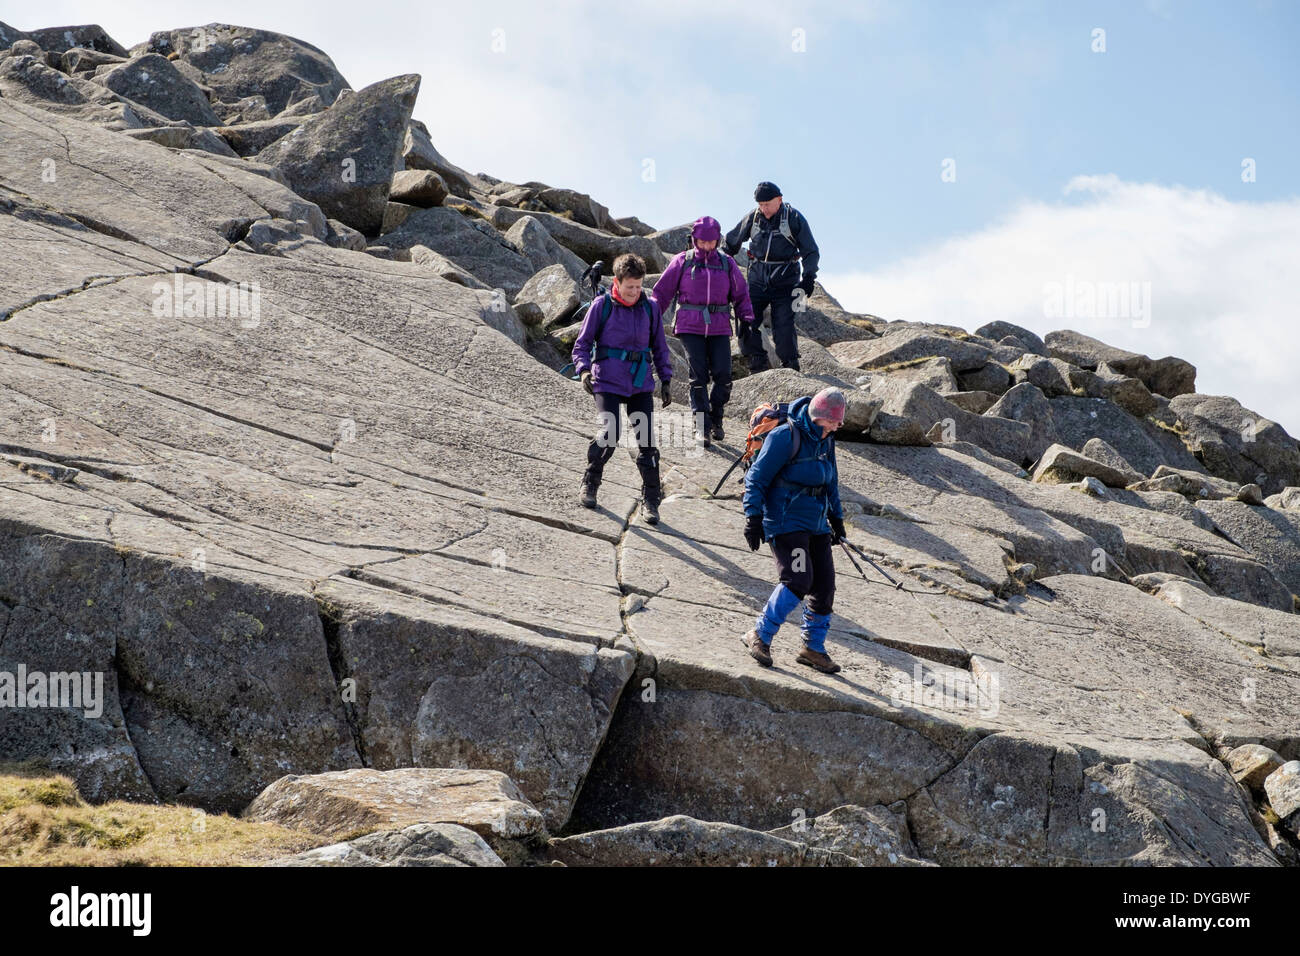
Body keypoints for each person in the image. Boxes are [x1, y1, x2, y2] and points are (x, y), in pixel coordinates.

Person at [740, 387, 847, 673]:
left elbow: (831, 481)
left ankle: (813, 648)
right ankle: (759, 635)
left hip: (816, 523)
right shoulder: (785, 436)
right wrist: (753, 517)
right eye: (835, 420)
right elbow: (756, 479)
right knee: (798, 578)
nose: (839, 425)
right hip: (786, 521)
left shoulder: (827, 440)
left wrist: (837, 519)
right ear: (819, 417)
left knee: (824, 586)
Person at [571, 252, 674, 524]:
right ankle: (590, 482)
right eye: (630, 287)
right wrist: (583, 371)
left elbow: (660, 347)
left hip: (640, 382)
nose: (635, 292)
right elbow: (581, 345)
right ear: (617, 282)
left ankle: (651, 500)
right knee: (610, 431)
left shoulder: (650, 308)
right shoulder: (601, 306)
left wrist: (666, 379)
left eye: (639, 286)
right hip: (607, 380)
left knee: (647, 442)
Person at [650, 216, 755, 447]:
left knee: (724, 377)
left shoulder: (727, 264)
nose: (707, 245)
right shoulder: (682, 261)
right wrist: (647, 318)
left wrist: (746, 319)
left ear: (718, 240)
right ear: (694, 239)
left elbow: (741, 295)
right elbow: (661, 294)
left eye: (712, 241)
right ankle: (702, 427)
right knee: (698, 377)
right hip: (689, 326)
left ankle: (716, 419)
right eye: (702, 241)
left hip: (719, 327)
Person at [723, 181, 820, 373]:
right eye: (760, 204)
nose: (764, 208)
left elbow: (811, 251)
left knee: (783, 324)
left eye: (767, 204)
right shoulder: (753, 218)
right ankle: (756, 363)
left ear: (779, 200)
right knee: (747, 319)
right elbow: (730, 244)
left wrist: (809, 278)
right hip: (757, 280)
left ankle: (790, 366)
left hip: (786, 281)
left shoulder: (793, 218)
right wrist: (720, 267)